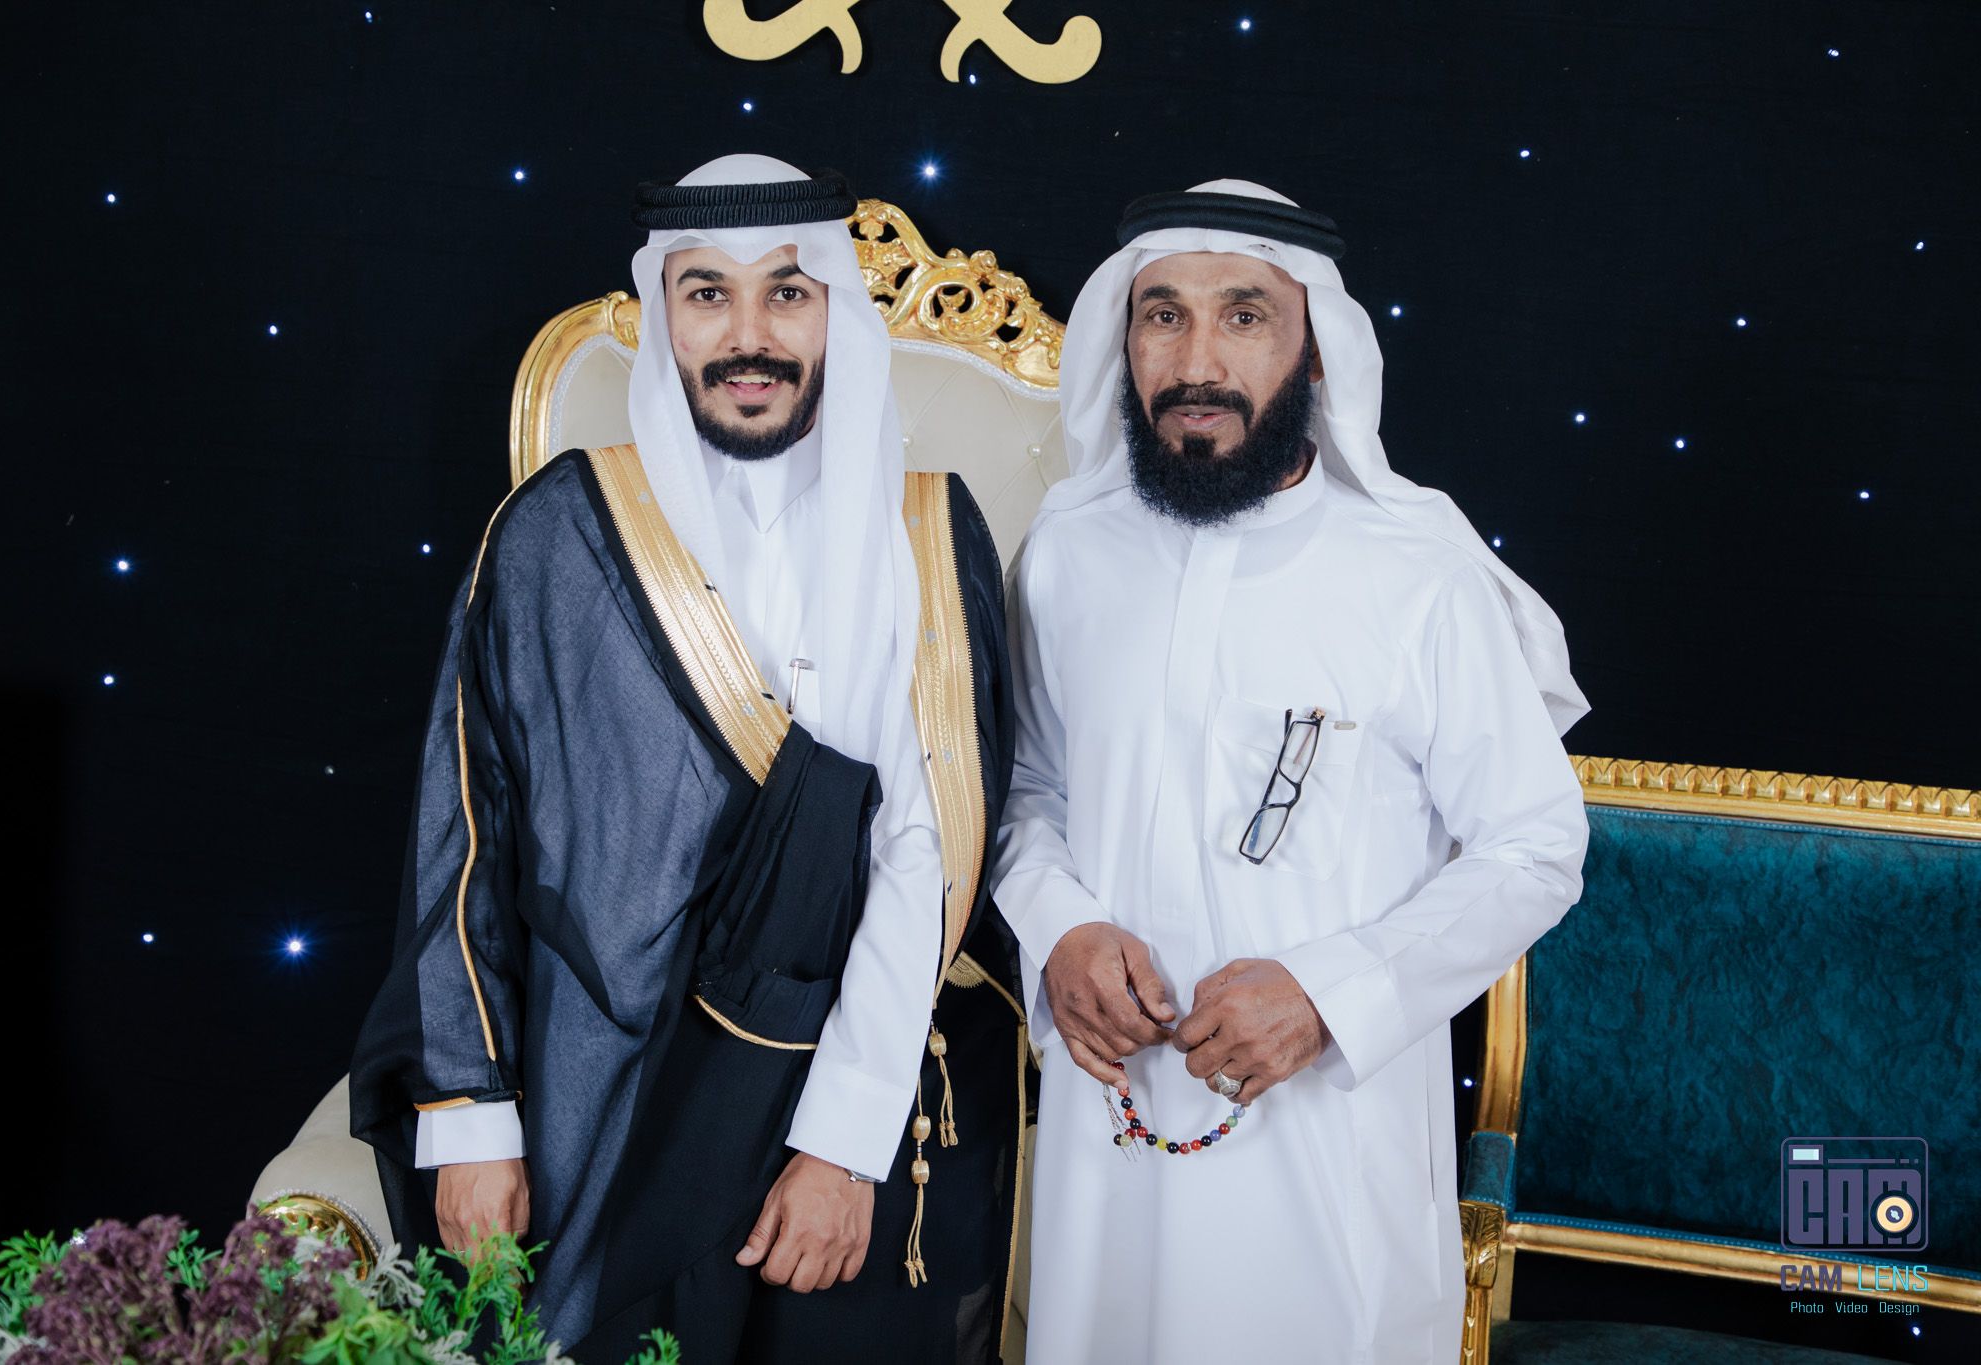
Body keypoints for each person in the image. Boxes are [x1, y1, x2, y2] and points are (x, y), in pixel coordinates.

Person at [349, 154, 1027, 1365]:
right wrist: (472, 1117)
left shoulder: (925, 531)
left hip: (843, 1073)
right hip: (601, 1091)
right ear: (662, 311)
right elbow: (465, 833)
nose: (747, 336)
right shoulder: (557, 532)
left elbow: (928, 852)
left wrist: (842, 1143)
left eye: (787, 293)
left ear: (836, 310)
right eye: (707, 292)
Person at [992, 179, 1591, 1363]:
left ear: (1313, 348)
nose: (1195, 361)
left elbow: (1533, 846)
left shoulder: (1414, 572)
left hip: (1326, 1149)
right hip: (1111, 1135)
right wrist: (1058, 928)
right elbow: (1024, 788)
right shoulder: (1067, 549)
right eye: (1162, 316)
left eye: (1243, 316)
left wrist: (1327, 996)